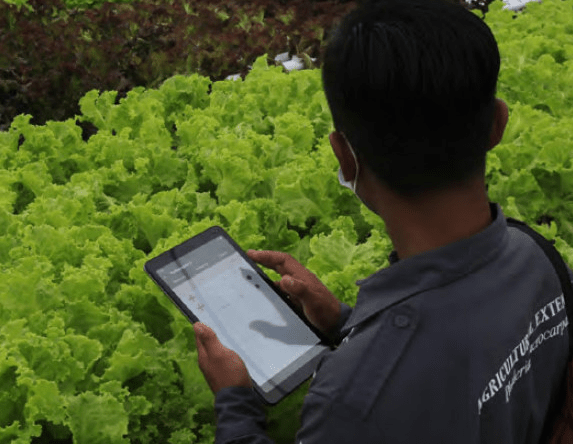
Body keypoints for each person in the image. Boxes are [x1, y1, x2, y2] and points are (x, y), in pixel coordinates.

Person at [192, 0, 571, 442]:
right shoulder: (539, 257)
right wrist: (345, 324)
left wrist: (235, 401)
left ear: (344, 157)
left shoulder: (352, 404)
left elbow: (421, 369)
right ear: (498, 125)